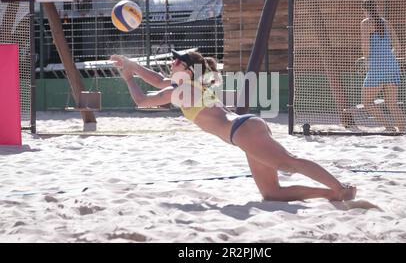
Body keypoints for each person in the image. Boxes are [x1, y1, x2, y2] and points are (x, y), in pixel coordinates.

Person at [110, 50, 356, 202]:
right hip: (243, 130)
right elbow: (150, 89)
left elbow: (148, 93)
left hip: (242, 130)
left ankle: (340, 187)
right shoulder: (192, 87)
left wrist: (130, 73)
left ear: (188, 71)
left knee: (287, 162)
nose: (173, 62)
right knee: (272, 194)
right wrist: (130, 69)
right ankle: (331, 194)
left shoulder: (183, 89)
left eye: (178, 61)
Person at [360, 0, 406, 132]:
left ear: (364, 9)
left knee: (367, 102)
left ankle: (389, 127)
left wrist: (365, 60)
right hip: (392, 65)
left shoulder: (365, 23)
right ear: (376, 8)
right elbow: (398, 47)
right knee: (391, 104)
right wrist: (388, 56)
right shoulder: (387, 23)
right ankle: (403, 131)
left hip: (377, 67)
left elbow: (366, 47)